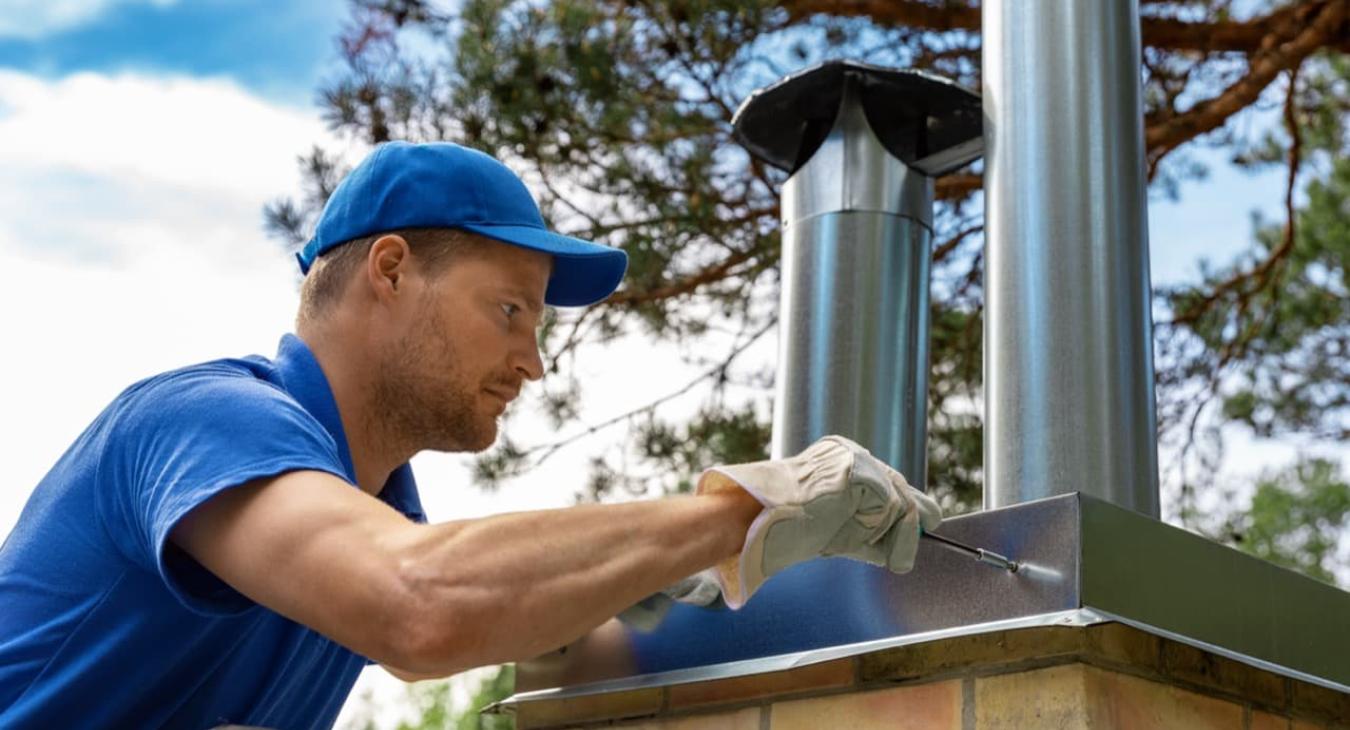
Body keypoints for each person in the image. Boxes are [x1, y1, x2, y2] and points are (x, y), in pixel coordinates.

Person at [0, 141, 939, 728]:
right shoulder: (208, 420)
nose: (535, 362)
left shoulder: (371, 510)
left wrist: (636, 591)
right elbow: (419, 605)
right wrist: (740, 513)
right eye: (509, 310)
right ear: (393, 269)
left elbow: (451, 637)